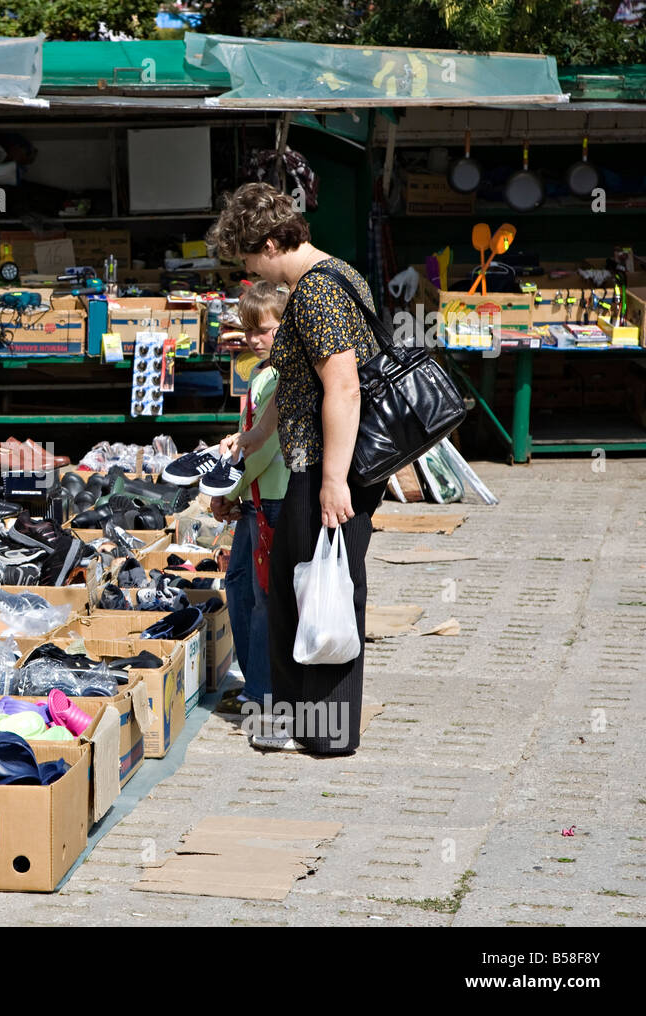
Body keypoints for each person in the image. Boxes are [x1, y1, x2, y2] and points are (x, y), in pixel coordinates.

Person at [209, 182, 385, 755]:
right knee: (297, 588)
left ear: (267, 242)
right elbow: (298, 379)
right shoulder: (341, 273)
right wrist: (256, 433)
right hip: (317, 460)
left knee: (323, 590)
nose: (250, 270)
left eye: (248, 258)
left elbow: (343, 385)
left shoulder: (314, 293)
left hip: (329, 466)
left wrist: (334, 480)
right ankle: (302, 722)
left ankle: (325, 731)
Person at [210, 281, 289, 718]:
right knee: (239, 586)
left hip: (270, 498)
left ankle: (262, 690)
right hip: (256, 499)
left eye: (265, 331)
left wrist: (227, 490)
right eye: (249, 331)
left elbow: (265, 446)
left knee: (259, 598)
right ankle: (254, 680)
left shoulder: (277, 378)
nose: (254, 340)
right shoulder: (261, 375)